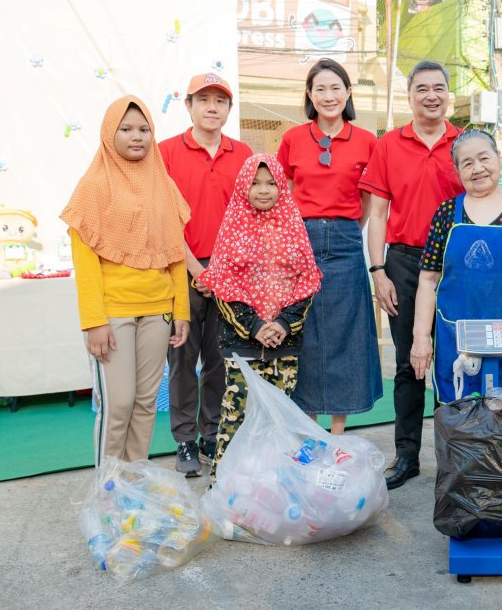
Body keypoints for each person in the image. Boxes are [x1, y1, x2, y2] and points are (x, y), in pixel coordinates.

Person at [61, 96, 191, 466]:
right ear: (109, 132)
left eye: (145, 129)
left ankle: (136, 488)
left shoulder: (162, 183)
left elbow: (175, 251)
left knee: (147, 402)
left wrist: (180, 310)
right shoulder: (93, 186)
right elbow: (84, 262)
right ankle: (108, 488)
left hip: (158, 310)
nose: (138, 137)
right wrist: (94, 321)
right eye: (127, 129)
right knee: (118, 404)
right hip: (113, 314)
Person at [360, 61, 464, 489]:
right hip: (402, 261)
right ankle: (406, 455)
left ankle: (453, 456)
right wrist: (378, 270)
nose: (431, 96)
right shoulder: (389, 145)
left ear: (448, 95)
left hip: (455, 262)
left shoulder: (466, 142)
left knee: (454, 363)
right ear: (410, 96)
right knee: (408, 363)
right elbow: (378, 214)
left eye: (439, 88)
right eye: (422, 88)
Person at [197, 155, 322, 482]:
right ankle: (225, 490)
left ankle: (273, 489)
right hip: (241, 345)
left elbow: (306, 280)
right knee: (236, 417)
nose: (263, 190)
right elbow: (223, 284)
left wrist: (282, 324)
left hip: (285, 343)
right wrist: (254, 327)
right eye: (255, 182)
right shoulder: (233, 223)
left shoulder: (293, 224)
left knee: (279, 418)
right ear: (243, 186)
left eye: (271, 183)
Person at [276, 59, 382, 435]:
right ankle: (309, 430)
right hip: (300, 239)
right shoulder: (292, 139)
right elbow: (284, 195)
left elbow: (368, 201)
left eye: (336, 87)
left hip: (346, 240)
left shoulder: (368, 141)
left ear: (349, 92)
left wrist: (348, 230)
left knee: (345, 333)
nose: (328, 95)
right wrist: (293, 240)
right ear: (309, 95)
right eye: (319, 88)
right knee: (303, 333)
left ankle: (337, 434)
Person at [410, 130, 502, 405]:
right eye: (467, 163)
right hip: (454, 338)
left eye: (483, 158)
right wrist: (420, 338)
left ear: (498, 159)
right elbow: (428, 280)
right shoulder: (446, 213)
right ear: (457, 171)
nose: (478, 169)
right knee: (458, 417)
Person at [158, 72, 252, 477]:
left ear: (229, 109)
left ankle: (213, 434)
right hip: (182, 271)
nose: (213, 107)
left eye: (220, 101)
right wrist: (198, 270)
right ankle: (184, 441)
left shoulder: (244, 153)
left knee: (220, 361)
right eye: (205, 100)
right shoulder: (165, 153)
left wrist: (226, 270)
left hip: (230, 272)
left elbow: (252, 215)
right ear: (189, 106)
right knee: (182, 360)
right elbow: (163, 220)